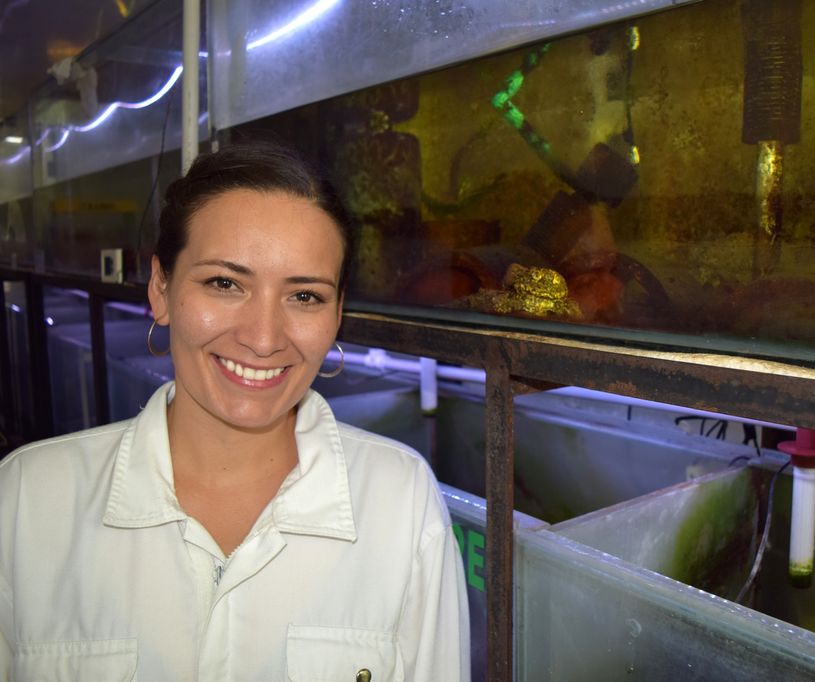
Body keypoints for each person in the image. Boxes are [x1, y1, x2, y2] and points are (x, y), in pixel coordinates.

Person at [0, 141, 470, 680]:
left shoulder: (401, 501)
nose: (264, 338)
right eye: (225, 283)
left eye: (305, 296)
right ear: (161, 288)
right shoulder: (26, 502)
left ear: (338, 312)